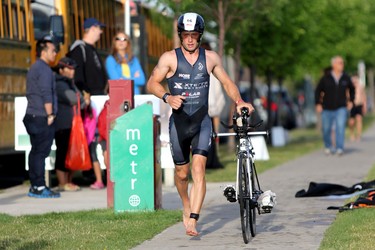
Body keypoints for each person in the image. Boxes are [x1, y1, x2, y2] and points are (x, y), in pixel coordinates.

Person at [146, 12, 254, 236]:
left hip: (202, 122)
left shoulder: (211, 58)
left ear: (200, 36)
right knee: (182, 174)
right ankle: (186, 204)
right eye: (186, 35)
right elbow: (151, 83)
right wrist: (167, 97)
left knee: (199, 169)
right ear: (180, 36)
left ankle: (194, 218)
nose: (190, 40)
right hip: (179, 124)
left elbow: (226, 82)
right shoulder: (169, 58)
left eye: (194, 35)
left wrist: (239, 100)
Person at [68, 17, 107, 187]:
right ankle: (90, 174)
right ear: (91, 28)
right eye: (99, 28)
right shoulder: (79, 49)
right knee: (92, 139)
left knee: (103, 138)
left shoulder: (91, 49)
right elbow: (77, 77)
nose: (101, 32)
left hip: (99, 100)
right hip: (90, 103)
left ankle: (101, 176)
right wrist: (85, 93)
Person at [23, 38, 60, 198]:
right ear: (43, 52)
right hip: (41, 116)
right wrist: (50, 114)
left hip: (32, 115)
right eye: (52, 50)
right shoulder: (44, 69)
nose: (55, 53)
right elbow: (46, 93)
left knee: (36, 151)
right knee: (40, 152)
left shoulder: (35, 67)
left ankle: (35, 185)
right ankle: (38, 186)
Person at [54, 57, 85, 192]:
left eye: (73, 69)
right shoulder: (60, 84)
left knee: (69, 153)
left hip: (71, 124)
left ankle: (68, 181)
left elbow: (80, 100)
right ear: (61, 70)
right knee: (62, 153)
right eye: (69, 69)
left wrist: (81, 98)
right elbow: (75, 99)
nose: (72, 72)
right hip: (62, 124)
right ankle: (62, 183)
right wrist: (81, 97)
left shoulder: (70, 83)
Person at [315, 56, 355, 156]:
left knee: (340, 127)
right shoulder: (326, 78)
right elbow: (318, 91)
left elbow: (352, 89)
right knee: (326, 129)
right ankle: (328, 146)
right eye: (340, 63)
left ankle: (339, 148)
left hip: (341, 107)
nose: (342, 65)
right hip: (327, 108)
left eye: (342, 63)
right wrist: (318, 103)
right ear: (333, 65)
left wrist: (351, 101)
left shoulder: (346, 77)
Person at [200, 41, 225, 169]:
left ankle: (208, 161)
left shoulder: (210, 68)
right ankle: (210, 160)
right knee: (211, 135)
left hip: (206, 108)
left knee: (206, 136)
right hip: (210, 108)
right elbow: (218, 93)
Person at [348, 75, 367, 142]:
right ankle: (352, 134)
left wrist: (364, 106)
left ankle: (359, 135)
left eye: (356, 80)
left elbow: (364, 96)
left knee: (359, 119)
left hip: (359, 104)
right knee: (351, 122)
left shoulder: (360, 87)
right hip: (352, 105)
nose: (355, 81)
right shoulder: (349, 88)